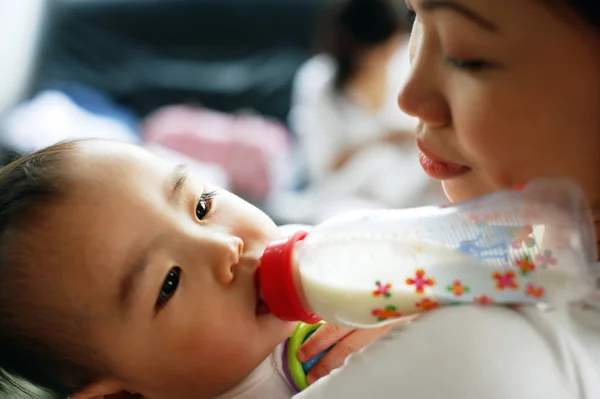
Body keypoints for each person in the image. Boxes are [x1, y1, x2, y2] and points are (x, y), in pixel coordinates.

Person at [294, 0, 600, 396]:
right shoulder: (521, 282)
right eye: (415, 17)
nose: (408, 98)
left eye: (466, 56)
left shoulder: (475, 354)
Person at [0, 139, 393, 399]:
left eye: (202, 206)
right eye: (169, 282)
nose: (226, 246)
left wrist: (398, 297)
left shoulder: (321, 248)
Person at [278, 0, 444, 224]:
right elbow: (322, 167)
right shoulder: (319, 81)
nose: (384, 57)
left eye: (389, 47)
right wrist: (382, 138)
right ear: (353, 48)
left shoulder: (408, 60)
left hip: (415, 182)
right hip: (352, 191)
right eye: (376, 51)